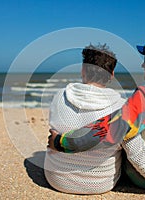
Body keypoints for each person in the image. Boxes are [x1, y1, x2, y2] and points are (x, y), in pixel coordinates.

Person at [48, 35, 145, 195]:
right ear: (112, 73)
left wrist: (61, 142)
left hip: (144, 178)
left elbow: (109, 131)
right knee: (130, 138)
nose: (143, 64)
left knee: (126, 135)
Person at [44, 44, 127, 194]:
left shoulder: (59, 96)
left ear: (83, 70)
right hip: (100, 184)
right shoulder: (122, 107)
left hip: (56, 179)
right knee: (128, 139)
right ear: (112, 74)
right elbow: (138, 154)